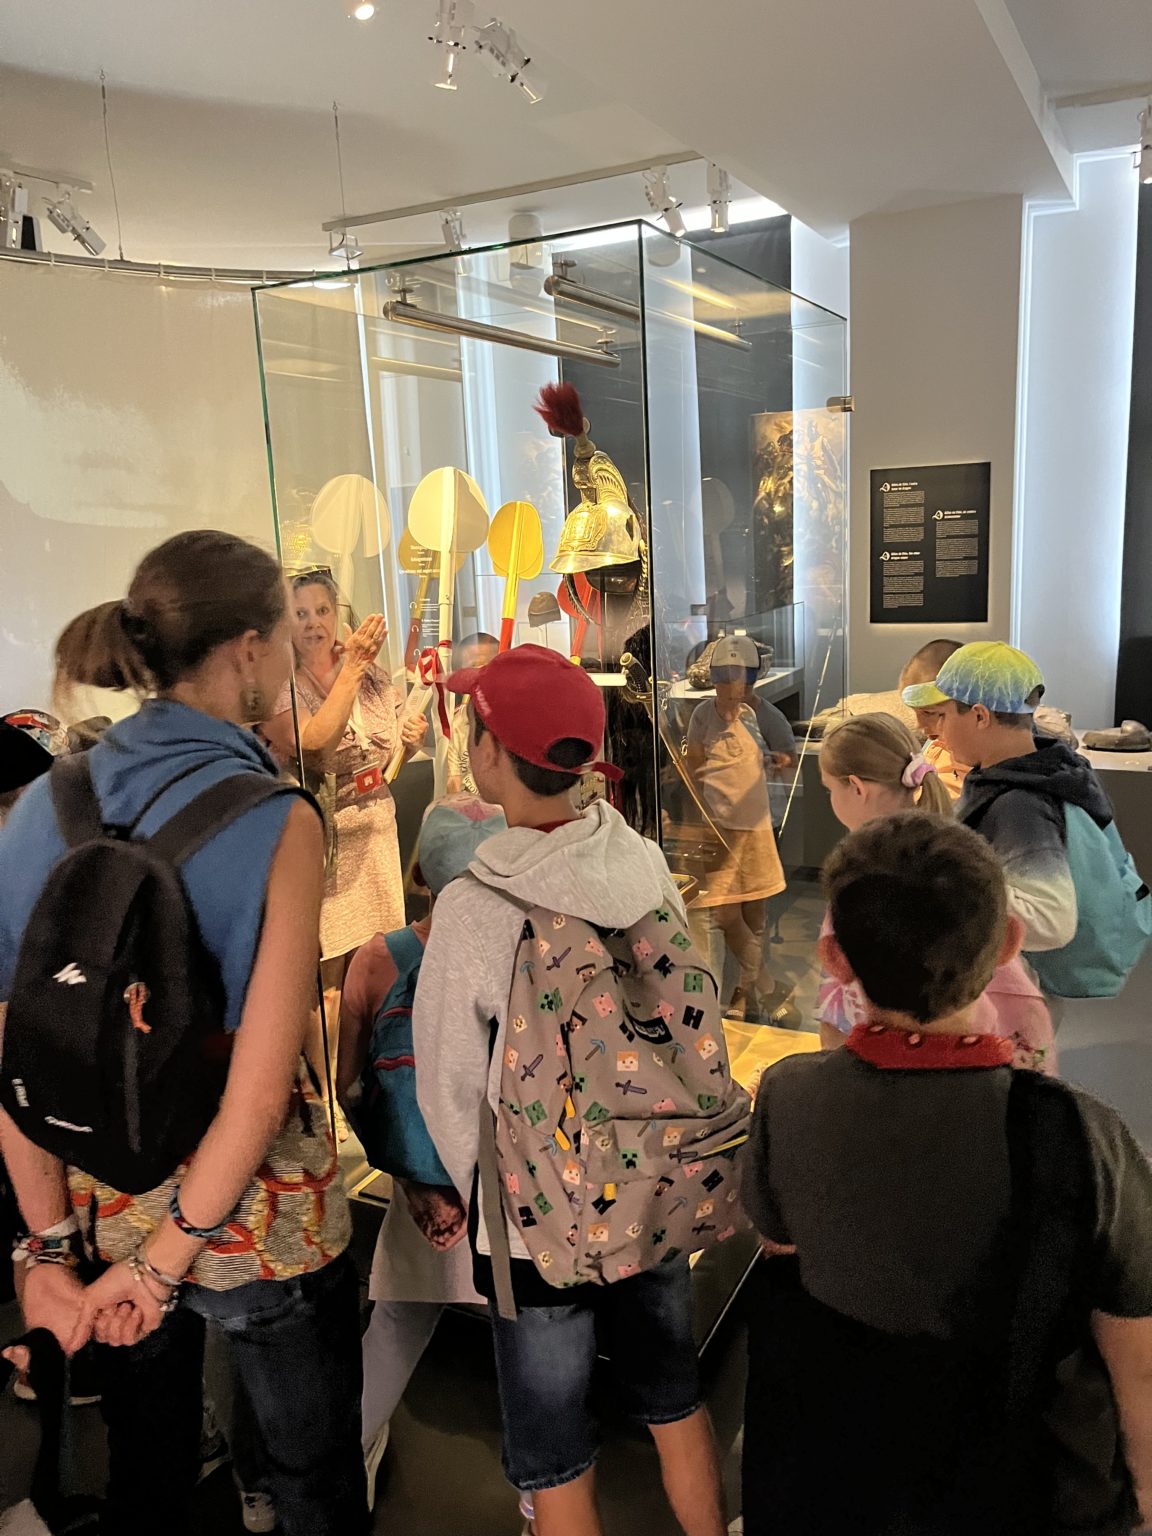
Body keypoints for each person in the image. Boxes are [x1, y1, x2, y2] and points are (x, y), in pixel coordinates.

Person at [0, 532, 366, 1536]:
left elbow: (19, 1061)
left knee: (148, 1474)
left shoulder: (44, 803)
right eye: (288, 634)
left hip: (104, 1199)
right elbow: (259, 1089)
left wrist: (46, 1253)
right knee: (312, 1476)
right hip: (259, 1219)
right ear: (249, 649)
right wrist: (167, 1266)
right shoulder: (278, 818)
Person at [742, 813, 1152, 1536]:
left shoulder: (788, 1095)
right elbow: (1134, 1350)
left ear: (834, 959)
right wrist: (1145, 1491)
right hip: (1028, 1488)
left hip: (850, 1477)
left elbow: (782, 1247)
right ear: (1008, 944)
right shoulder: (1083, 1132)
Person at [411, 645, 727, 1536]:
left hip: (532, 1218)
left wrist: (484, 1192)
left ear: (488, 754)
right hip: (655, 1178)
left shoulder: (477, 905)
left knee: (554, 1449)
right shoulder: (642, 861)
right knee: (674, 1400)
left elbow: (447, 1083)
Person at [336, 794, 507, 1511]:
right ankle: (546, 1500)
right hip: (508, 1192)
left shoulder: (378, 960)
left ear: (418, 873)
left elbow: (350, 1087)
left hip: (422, 1185)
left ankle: (342, 1469)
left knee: (397, 1325)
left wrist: (410, 1177)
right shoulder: (525, 951)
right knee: (528, 1345)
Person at [903, 640, 1150, 1005]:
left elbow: (1051, 921)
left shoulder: (1019, 804)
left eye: (944, 716)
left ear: (980, 716)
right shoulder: (1055, 768)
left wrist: (952, 887)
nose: (936, 730)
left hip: (1026, 989)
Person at [259, 569, 426, 1101]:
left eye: (322, 610)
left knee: (374, 962)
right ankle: (326, 1093)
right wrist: (350, 667)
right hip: (324, 839)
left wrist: (409, 743)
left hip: (376, 829)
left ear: (338, 613)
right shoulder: (282, 684)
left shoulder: (371, 675)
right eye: (301, 613)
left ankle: (370, 1079)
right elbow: (314, 745)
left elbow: (389, 755)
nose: (314, 623)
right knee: (328, 976)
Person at [816, 714, 1054, 1072]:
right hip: (985, 1062)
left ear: (856, 787)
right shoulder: (961, 859)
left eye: (829, 789)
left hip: (887, 1077)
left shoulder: (860, 883)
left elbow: (837, 1030)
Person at [685, 635, 795, 1023]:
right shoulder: (703, 716)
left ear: (751, 681)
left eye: (738, 681)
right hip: (718, 830)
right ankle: (766, 984)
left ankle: (744, 994)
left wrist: (775, 763)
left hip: (757, 828)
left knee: (754, 918)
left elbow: (789, 760)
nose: (730, 689)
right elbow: (694, 767)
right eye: (723, 680)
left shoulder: (767, 717)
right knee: (726, 915)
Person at [446, 631, 499, 795]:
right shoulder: (457, 723)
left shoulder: (515, 718)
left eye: (489, 666)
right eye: (473, 666)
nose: (480, 674)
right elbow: (454, 784)